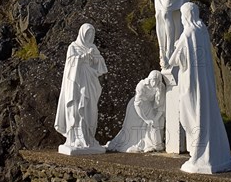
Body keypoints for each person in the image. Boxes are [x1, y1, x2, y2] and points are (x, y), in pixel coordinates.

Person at [169, 2, 231, 173]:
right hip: (204, 83)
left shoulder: (187, 34)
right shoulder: (202, 31)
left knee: (190, 115)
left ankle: (199, 153)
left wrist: (176, 47)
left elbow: (174, 61)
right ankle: (216, 154)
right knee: (206, 114)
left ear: (186, 16)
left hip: (190, 84)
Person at [54, 23, 108, 154]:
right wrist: (82, 58)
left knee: (90, 110)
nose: (90, 36)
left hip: (90, 81)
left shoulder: (93, 47)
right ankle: (76, 139)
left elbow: (100, 65)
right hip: (77, 84)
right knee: (77, 111)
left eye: (92, 34)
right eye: (87, 34)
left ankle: (89, 138)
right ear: (82, 34)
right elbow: (70, 65)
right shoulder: (73, 47)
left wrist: (95, 58)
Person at [106, 70, 165, 153]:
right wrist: (145, 119)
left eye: (157, 81)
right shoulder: (141, 86)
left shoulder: (160, 87)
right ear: (149, 79)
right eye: (153, 80)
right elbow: (137, 105)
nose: (154, 83)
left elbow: (161, 107)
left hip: (149, 107)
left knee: (151, 125)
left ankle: (149, 144)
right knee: (132, 129)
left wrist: (155, 119)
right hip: (136, 108)